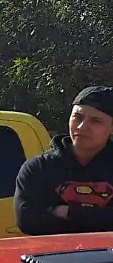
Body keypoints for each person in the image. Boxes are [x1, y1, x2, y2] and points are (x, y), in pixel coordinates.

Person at [15, 85, 113, 235]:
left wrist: (68, 213)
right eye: (78, 117)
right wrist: (100, 219)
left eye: (96, 121)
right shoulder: (39, 168)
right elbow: (28, 222)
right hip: (52, 256)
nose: (81, 126)